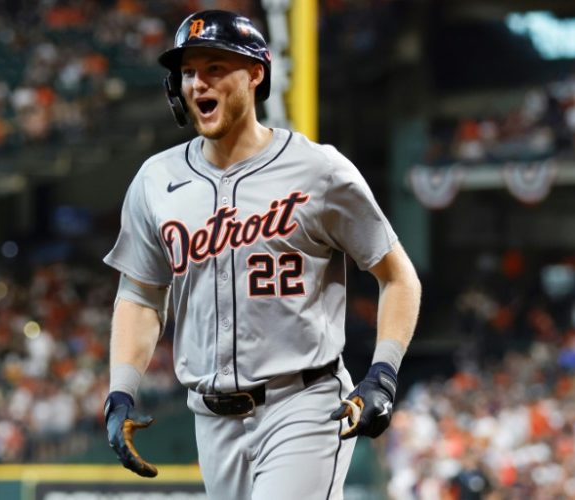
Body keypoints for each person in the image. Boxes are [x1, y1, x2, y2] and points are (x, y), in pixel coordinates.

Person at [103, 10, 421, 500]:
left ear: (255, 74)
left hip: (304, 401)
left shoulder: (319, 170)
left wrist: (383, 372)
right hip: (211, 419)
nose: (197, 83)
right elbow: (141, 295)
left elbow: (398, 275)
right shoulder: (155, 181)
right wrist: (120, 391)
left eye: (214, 68)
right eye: (188, 72)